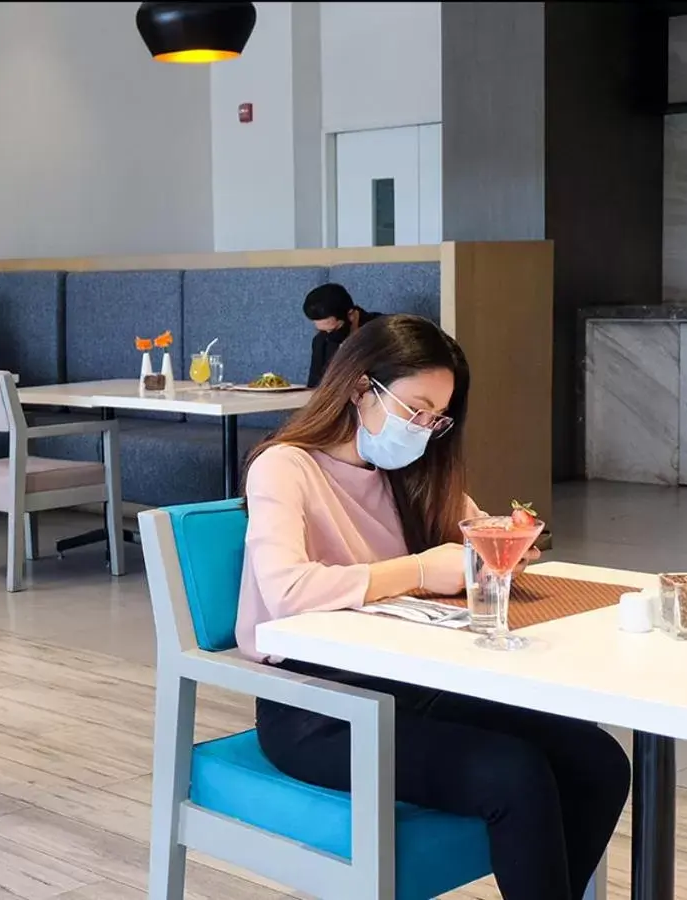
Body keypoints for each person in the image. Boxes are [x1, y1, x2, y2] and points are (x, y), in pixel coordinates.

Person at [238, 314, 630, 900]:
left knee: (597, 760)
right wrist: (421, 568)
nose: (422, 429)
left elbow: (478, 535)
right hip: (317, 707)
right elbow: (287, 591)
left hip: (407, 682)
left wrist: (500, 551)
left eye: (436, 417)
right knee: (512, 773)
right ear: (358, 388)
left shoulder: (409, 470)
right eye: (414, 409)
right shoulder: (285, 465)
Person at [303, 283, 379, 388]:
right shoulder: (320, 342)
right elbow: (314, 388)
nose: (328, 335)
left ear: (350, 315)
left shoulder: (384, 331)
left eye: (334, 330)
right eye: (323, 331)